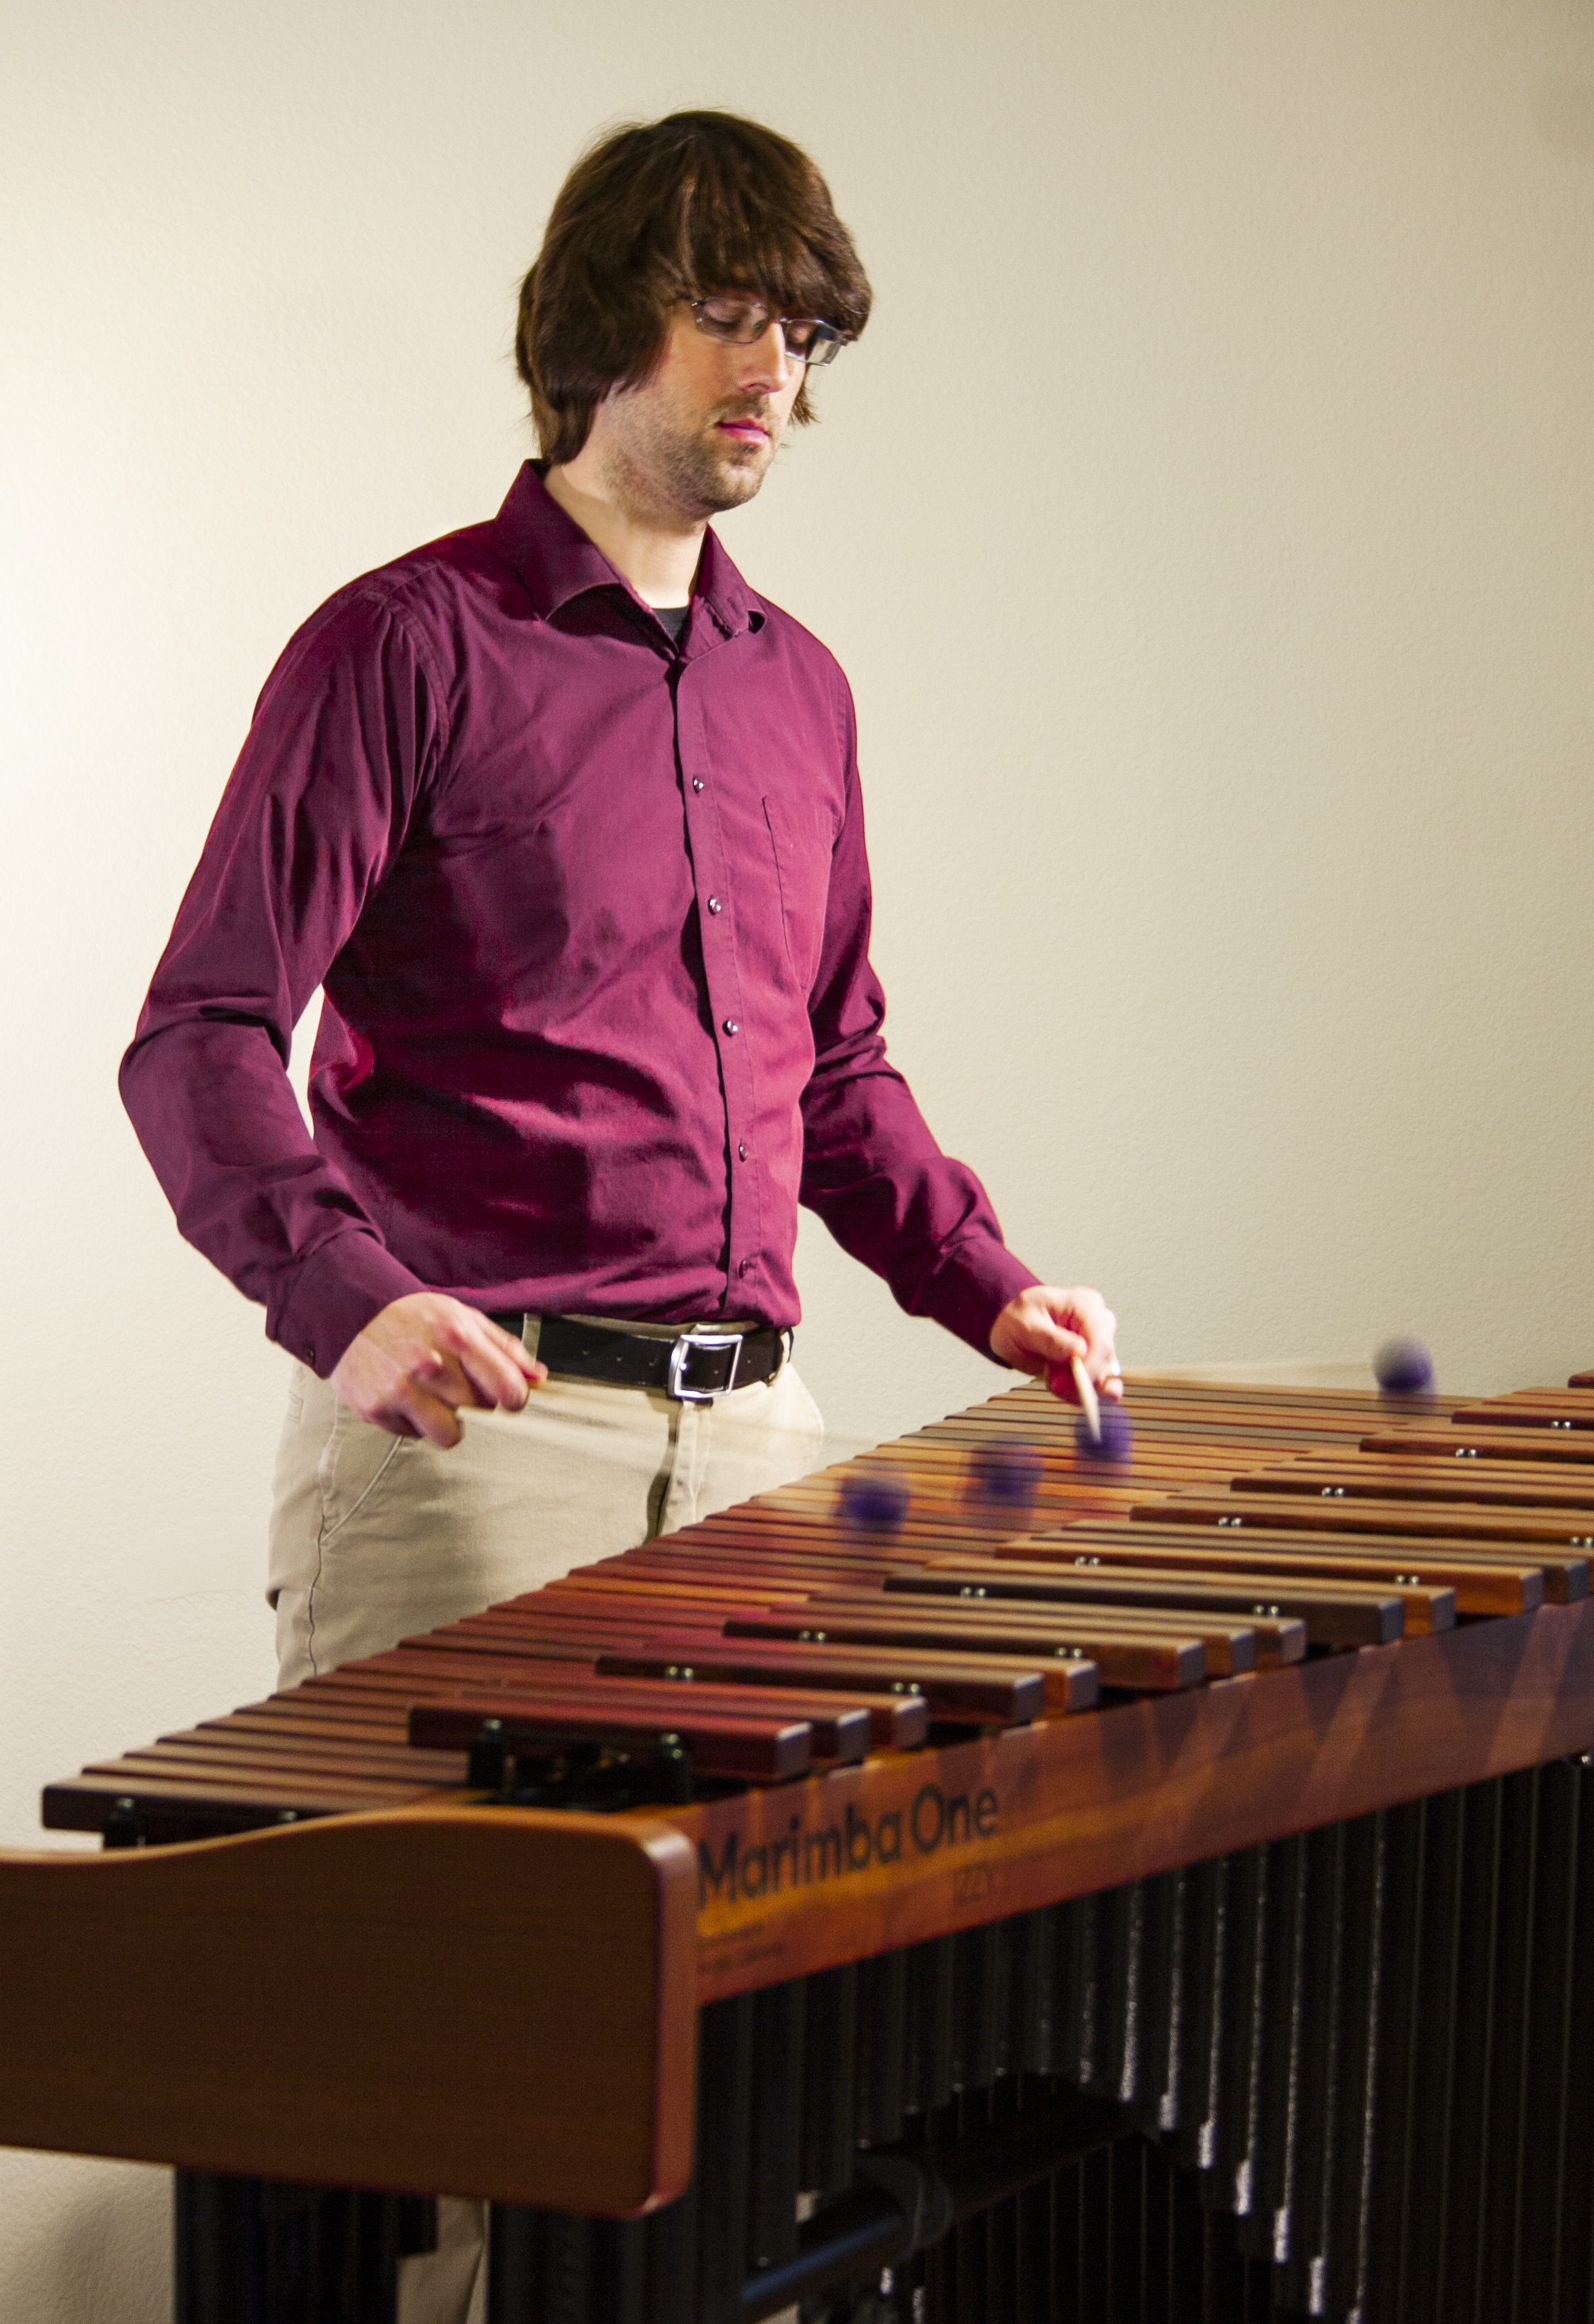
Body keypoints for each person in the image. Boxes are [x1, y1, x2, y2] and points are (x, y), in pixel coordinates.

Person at [121, 109, 1120, 2319]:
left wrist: (986, 1281)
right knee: (453, 2105)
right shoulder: (399, 648)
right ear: (600, 332)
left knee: (726, 2123)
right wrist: (346, 1301)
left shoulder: (804, 689)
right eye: (730, 318)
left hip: (758, 1461)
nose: (776, 374)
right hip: (480, 1463)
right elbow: (195, 1033)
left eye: (803, 332)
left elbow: (832, 1069)